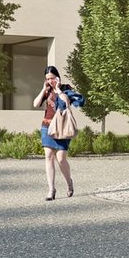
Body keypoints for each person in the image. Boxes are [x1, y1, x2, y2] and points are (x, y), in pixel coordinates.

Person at [34, 65, 75, 201]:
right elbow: (35, 104)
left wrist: (58, 89)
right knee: (49, 157)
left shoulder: (66, 89)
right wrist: (43, 89)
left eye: (52, 78)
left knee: (61, 158)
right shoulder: (47, 90)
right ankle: (51, 189)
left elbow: (66, 103)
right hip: (47, 126)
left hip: (62, 127)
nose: (50, 81)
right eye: (47, 79)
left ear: (57, 77)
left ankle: (69, 183)